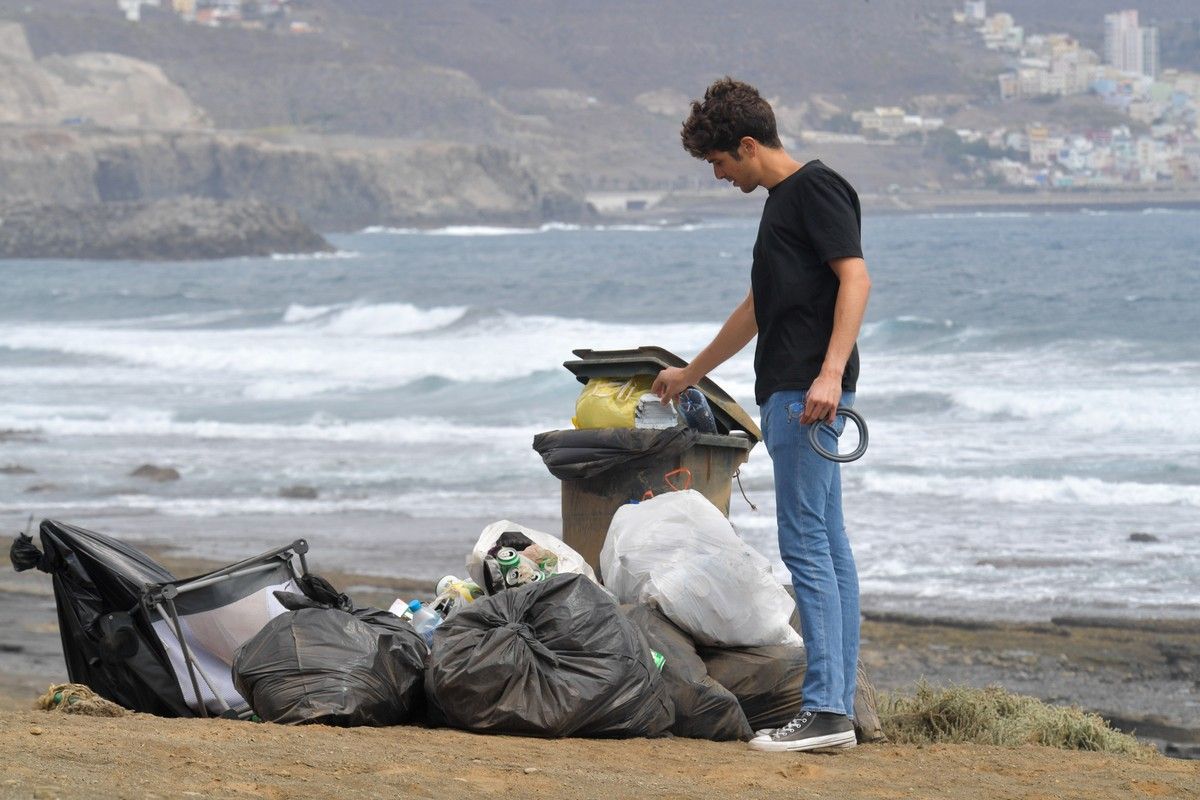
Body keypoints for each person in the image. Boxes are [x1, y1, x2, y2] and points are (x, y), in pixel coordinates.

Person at [651, 77, 872, 753]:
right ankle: (837, 707)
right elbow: (756, 307)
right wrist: (693, 372)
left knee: (809, 548)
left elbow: (855, 277)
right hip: (794, 392)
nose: (718, 176)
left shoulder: (814, 189)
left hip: (807, 394)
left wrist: (829, 373)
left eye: (719, 163)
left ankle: (827, 712)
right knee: (828, 548)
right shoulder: (783, 204)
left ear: (747, 145)